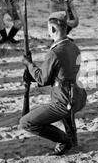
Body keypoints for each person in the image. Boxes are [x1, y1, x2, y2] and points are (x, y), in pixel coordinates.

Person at [20, 11, 87, 155]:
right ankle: (72, 138)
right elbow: (59, 74)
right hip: (78, 96)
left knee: (25, 123)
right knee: (63, 102)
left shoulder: (54, 53)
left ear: (53, 29)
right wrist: (33, 73)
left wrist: (29, 64)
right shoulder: (73, 46)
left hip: (64, 100)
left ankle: (65, 140)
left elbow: (43, 79)